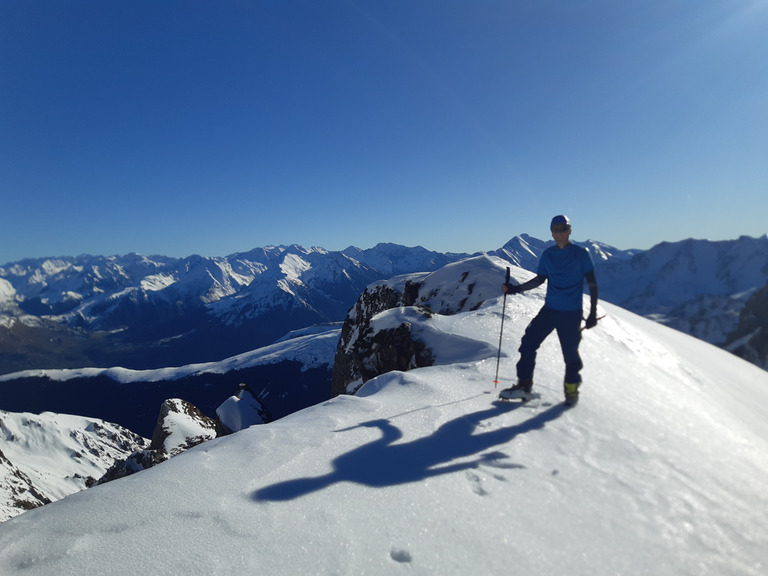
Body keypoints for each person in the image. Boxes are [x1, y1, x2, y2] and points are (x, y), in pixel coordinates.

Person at [500, 215, 598, 405]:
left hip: (571, 313)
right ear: (551, 233)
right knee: (528, 343)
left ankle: (571, 392)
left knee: (570, 354)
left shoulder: (581, 253)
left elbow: (592, 284)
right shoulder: (548, 255)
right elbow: (539, 280)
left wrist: (592, 313)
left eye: (563, 228)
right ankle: (524, 386)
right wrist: (515, 289)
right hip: (550, 310)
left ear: (570, 230)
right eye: (556, 229)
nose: (559, 233)